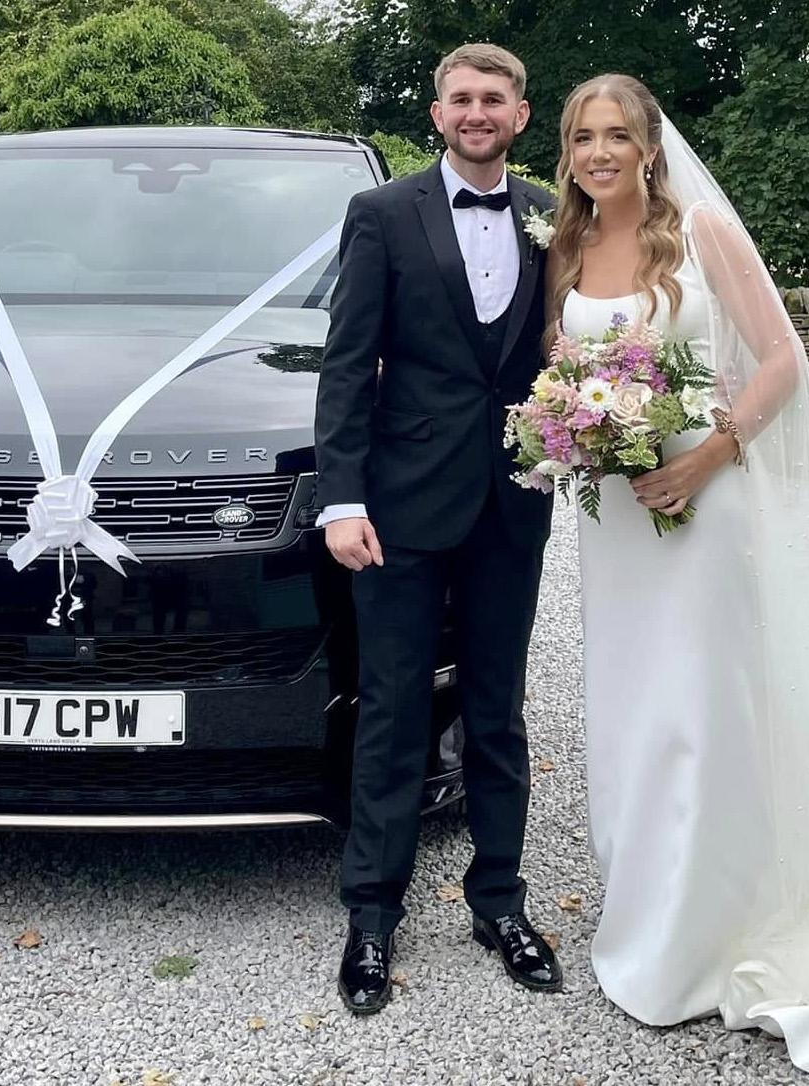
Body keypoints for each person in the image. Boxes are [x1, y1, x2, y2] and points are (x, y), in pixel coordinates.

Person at [544, 72, 809, 1077]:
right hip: (617, 522)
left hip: (701, 502)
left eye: (617, 135)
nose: (600, 153)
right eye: (583, 136)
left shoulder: (699, 239)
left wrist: (706, 452)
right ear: (569, 149)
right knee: (633, 709)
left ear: (649, 146)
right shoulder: (565, 246)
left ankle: (713, 931)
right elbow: (561, 369)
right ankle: (649, 915)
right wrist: (560, 426)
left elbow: (780, 358)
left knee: (706, 707)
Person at [312, 43, 562, 1015]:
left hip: (513, 501)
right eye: (460, 97)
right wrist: (341, 499)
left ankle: (498, 901)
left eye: (492, 98)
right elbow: (346, 362)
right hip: (398, 506)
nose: (475, 111)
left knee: (497, 711)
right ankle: (371, 916)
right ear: (436, 110)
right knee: (392, 710)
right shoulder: (380, 215)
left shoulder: (552, 214)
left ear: (519, 113)